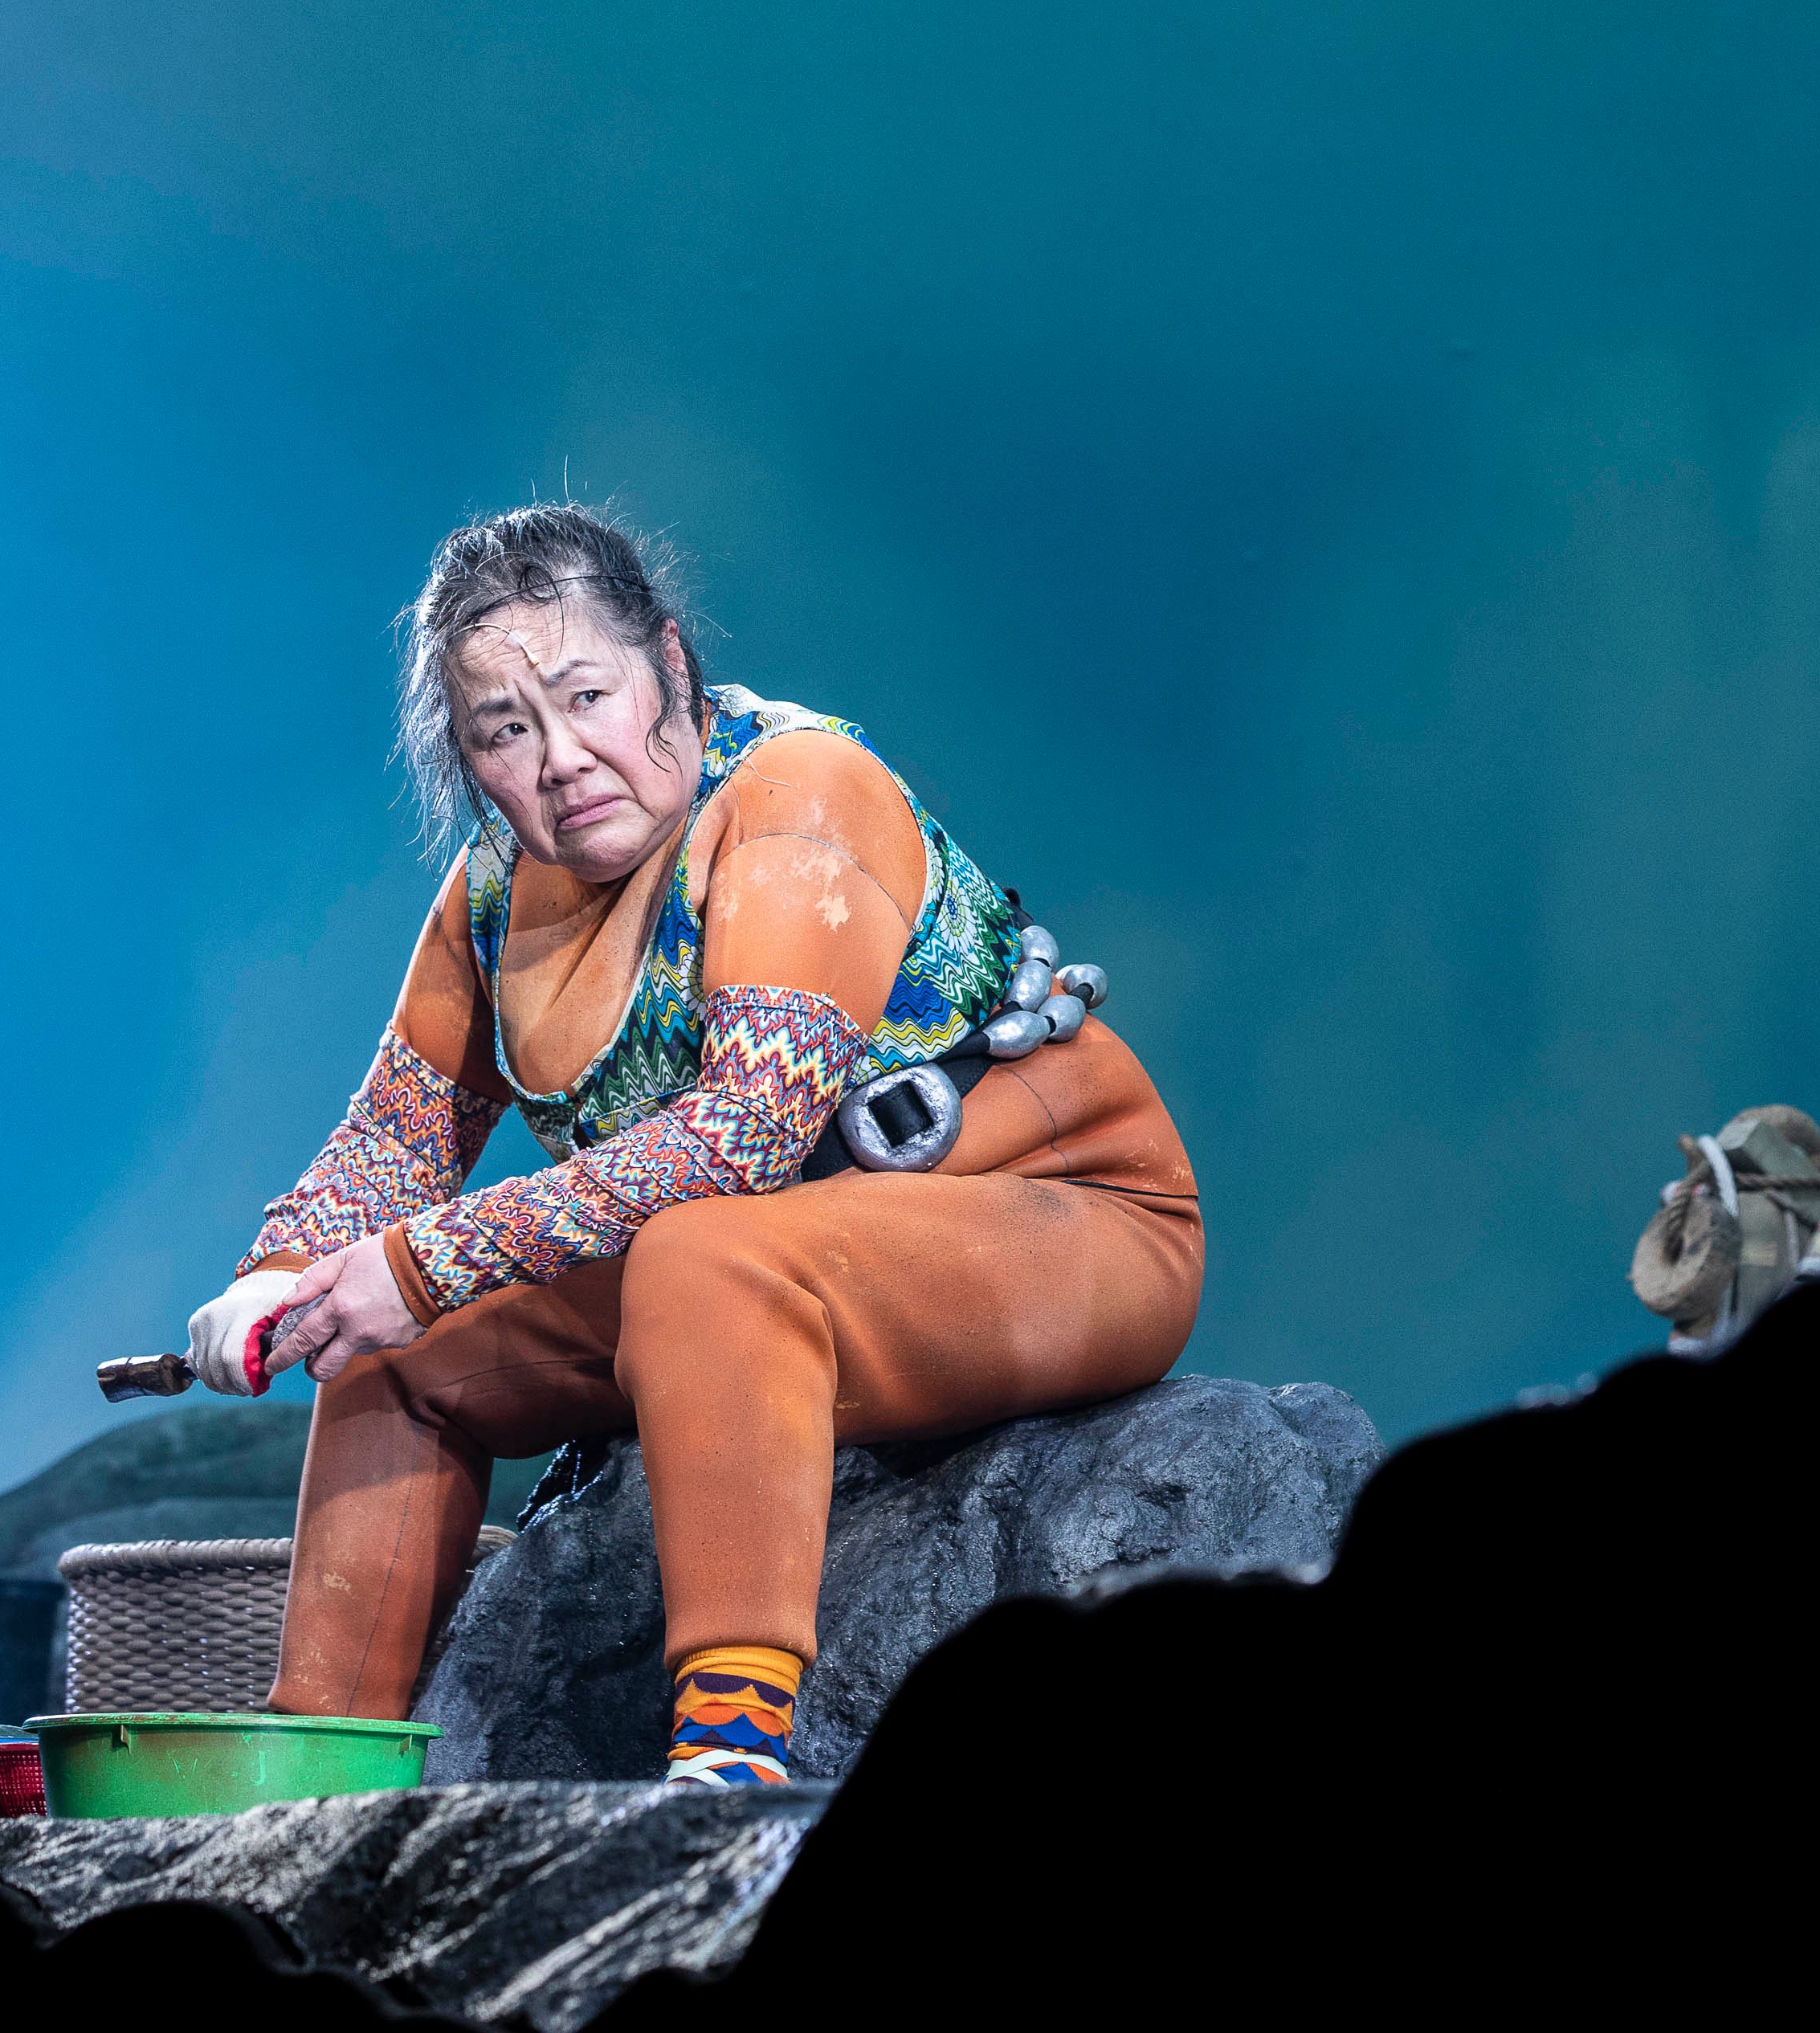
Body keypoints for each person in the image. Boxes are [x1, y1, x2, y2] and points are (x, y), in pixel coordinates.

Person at [184, 505, 1202, 1785]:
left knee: (696, 1257)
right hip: (780, 1261)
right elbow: (399, 1136)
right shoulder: (495, 891)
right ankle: (312, 1770)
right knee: (385, 1346)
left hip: (1064, 1213)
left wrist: (421, 1261)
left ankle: (731, 1752)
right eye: (505, 730)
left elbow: (744, 1138)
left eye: (587, 696)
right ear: (469, 757)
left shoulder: (798, 792)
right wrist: (286, 1273)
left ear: (668, 663)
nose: (562, 759)